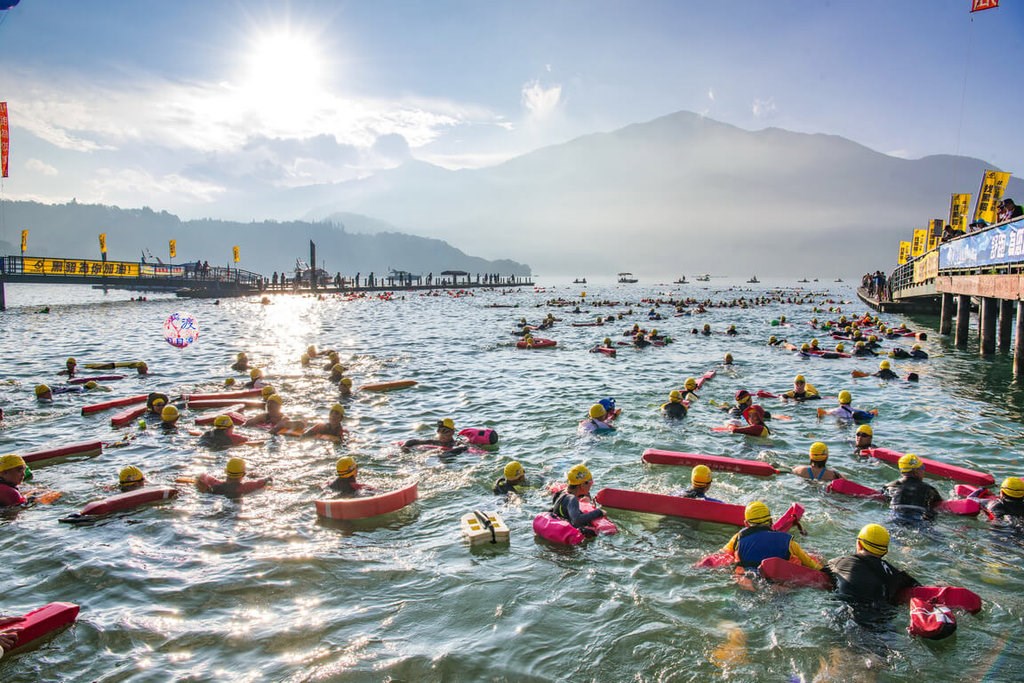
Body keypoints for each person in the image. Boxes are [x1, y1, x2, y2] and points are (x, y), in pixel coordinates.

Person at [823, 524, 919, 622]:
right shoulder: (895, 573)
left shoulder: (841, 562)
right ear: (885, 551)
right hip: (883, 624)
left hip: (850, 618)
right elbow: (917, 588)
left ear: (859, 544)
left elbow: (819, 572)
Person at [719, 501, 821, 569]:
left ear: (746, 523)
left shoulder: (738, 538)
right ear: (771, 521)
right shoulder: (788, 542)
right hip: (780, 581)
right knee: (813, 556)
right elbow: (811, 565)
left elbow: (721, 556)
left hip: (748, 578)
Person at [883, 453, 942, 522]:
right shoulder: (929, 489)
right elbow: (939, 504)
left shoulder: (889, 486)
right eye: (922, 467)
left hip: (896, 516)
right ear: (916, 471)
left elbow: (883, 498)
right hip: (918, 518)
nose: (923, 471)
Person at [550, 464, 606, 535]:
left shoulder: (561, 493)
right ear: (582, 485)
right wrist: (599, 512)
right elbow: (577, 520)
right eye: (591, 482)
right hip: (567, 538)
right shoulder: (572, 499)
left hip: (558, 529)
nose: (591, 485)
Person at [201, 457, 269, 497]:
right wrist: (267, 479)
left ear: (226, 472)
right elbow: (259, 483)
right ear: (243, 474)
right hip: (235, 499)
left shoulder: (216, 485)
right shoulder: (244, 487)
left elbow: (203, 476)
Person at [401, 418, 468, 454]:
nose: (442, 434)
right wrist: (405, 447)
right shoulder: (433, 442)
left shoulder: (455, 443)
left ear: (452, 432)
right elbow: (413, 441)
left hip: (447, 456)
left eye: (445, 431)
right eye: (439, 430)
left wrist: (444, 452)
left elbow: (463, 447)